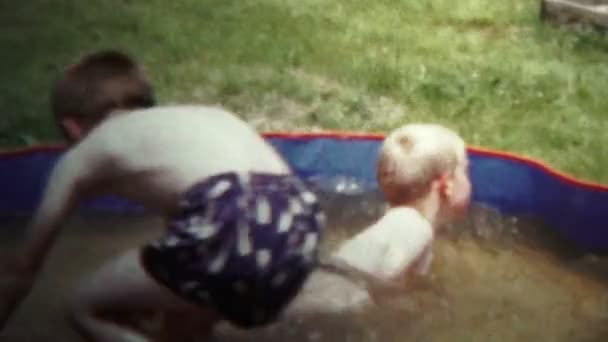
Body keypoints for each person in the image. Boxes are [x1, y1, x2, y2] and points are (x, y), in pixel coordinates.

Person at [0, 50, 325, 342]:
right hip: (301, 219)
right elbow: (200, 231)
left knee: (85, 307)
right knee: (183, 328)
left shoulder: (86, 150)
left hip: (228, 214)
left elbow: (21, 271)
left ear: (71, 128)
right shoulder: (203, 117)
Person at [286, 123, 471, 315]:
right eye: (465, 170)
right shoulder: (414, 225)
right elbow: (386, 271)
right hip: (333, 301)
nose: (468, 179)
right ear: (446, 185)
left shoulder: (399, 219)